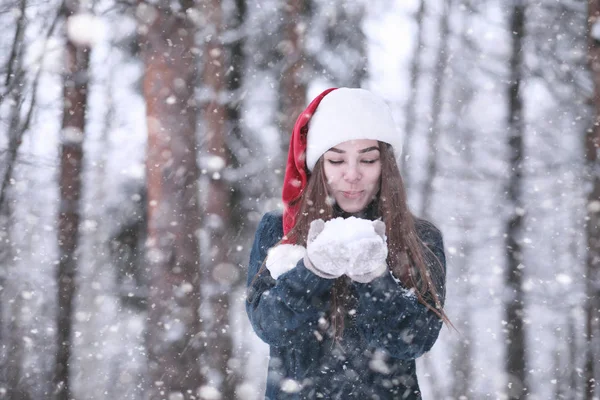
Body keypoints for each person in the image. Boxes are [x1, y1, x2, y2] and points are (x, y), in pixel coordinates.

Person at [246, 87, 449, 400]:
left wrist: (374, 280)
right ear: (318, 166)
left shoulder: (419, 237)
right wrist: (311, 272)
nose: (352, 175)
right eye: (336, 160)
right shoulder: (280, 230)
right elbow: (269, 326)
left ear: (386, 166)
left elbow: (414, 340)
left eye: (367, 160)